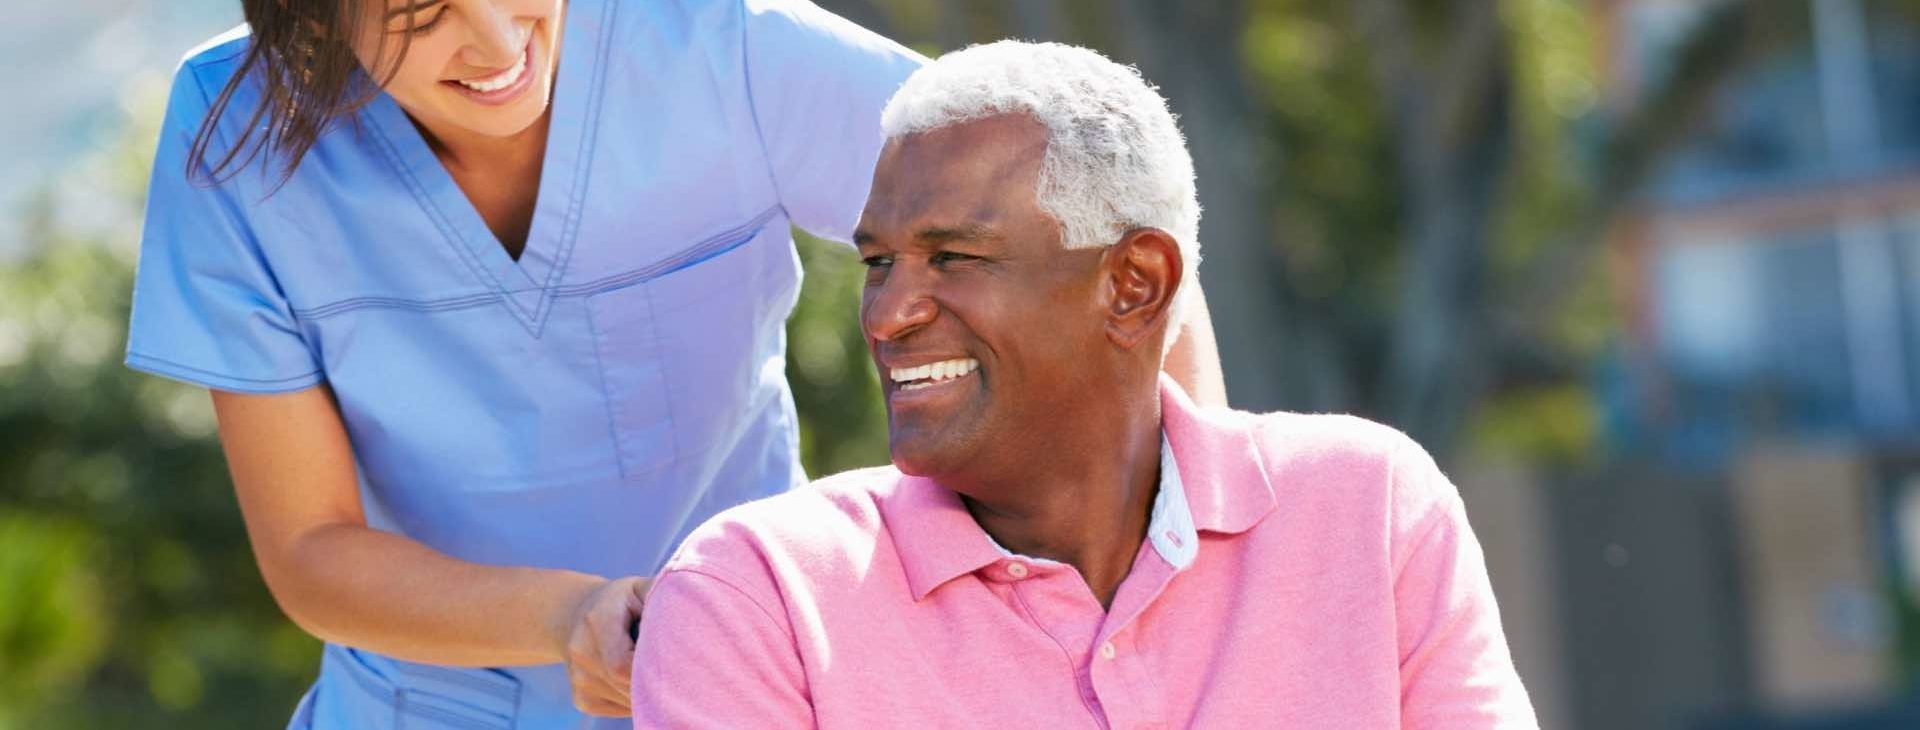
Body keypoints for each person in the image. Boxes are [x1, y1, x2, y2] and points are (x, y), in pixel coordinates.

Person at [125, 1, 1229, 728]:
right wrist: (569, 618)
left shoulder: (727, 47)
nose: (498, 45)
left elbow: (1098, 235)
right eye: (421, 12)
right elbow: (312, 550)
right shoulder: (230, 137)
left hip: (765, 674)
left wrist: (1187, 586)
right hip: (417, 704)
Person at [629, 40, 1538, 728]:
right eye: (878, 263)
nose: (887, 315)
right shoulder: (754, 597)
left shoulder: (1370, 512)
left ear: (1134, 284)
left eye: (952, 257)